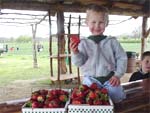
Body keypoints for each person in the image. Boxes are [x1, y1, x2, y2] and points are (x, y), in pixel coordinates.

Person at [70, 4, 127, 103]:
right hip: (90, 79)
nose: (97, 26)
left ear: (106, 23)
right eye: (93, 22)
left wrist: (117, 75)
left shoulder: (112, 42)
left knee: (116, 96)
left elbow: (122, 58)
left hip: (110, 79)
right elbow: (78, 63)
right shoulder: (83, 43)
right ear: (87, 22)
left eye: (101, 22)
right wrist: (76, 53)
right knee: (86, 98)